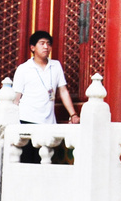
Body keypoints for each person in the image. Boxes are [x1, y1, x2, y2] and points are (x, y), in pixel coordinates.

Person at [11, 31, 79, 164]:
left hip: (48, 122)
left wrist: (73, 114)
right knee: (27, 161)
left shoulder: (56, 66)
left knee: (45, 160)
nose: (46, 47)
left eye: (48, 44)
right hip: (27, 120)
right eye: (41, 43)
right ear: (32, 47)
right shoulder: (23, 69)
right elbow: (16, 97)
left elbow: (63, 91)